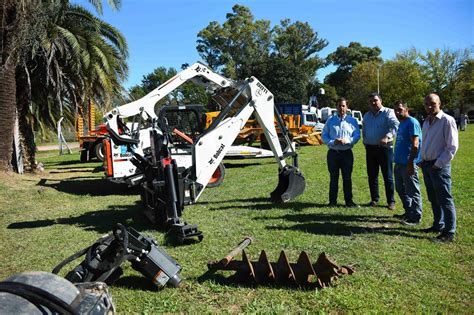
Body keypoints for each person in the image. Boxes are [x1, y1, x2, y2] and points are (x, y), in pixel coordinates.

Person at [419, 93, 459, 243]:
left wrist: (438, 164)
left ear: (439, 104)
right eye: (427, 104)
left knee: (445, 198)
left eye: (433, 104)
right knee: (433, 198)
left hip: (438, 166)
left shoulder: (447, 121)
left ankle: (449, 232)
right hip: (427, 165)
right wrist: (422, 160)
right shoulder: (426, 122)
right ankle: (438, 225)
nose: (429, 107)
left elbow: (452, 147)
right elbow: (426, 143)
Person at [321, 98, 360, 207]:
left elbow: (357, 135)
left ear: (347, 107)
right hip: (333, 153)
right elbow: (324, 135)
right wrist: (333, 141)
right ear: (336, 107)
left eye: (343, 106)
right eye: (339, 106)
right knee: (333, 178)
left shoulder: (352, 121)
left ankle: (349, 202)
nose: (341, 108)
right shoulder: (330, 120)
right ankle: (332, 202)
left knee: (347, 178)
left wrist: (347, 141)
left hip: (347, 153)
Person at [362, 93, 399, 210]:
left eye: (375, 100)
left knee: (387, 176)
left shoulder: (388, 112)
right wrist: (365, 140)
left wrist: (387, 136)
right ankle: (374, 199)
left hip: (385, 149)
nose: (373, 103)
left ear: (381, 100)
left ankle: (391, 201)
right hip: (370, 148)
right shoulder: (366, 116)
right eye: (370, 101)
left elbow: (395, 125)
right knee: (372, 176)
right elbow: (364, 130)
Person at [392, 101, 423, 225]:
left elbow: (415, 145)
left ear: (406, 109)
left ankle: (416, 216)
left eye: (399, 109)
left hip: (407, 164)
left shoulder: (412, 122)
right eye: (395, 110)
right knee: (400, 189)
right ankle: (409, 212)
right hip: (399, 163)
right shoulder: (402, 123)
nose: (397, 112)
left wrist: (411, 163)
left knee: (413, 191)